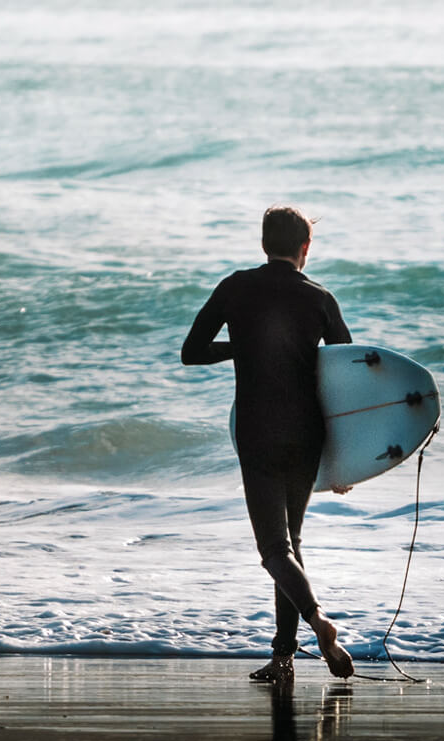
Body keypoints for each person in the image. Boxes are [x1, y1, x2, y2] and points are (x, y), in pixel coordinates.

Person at [181, 206, 356, 682]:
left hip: (258, 430)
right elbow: (346, 376)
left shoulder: (234, 287)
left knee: (273, 550)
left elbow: (191, 354)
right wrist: (345, 461)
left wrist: (244, 346)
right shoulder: (320, 297)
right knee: (291, 544)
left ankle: (317, 619)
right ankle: (283, 657)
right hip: (306, 434)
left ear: (263, 244)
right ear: (306, 248)